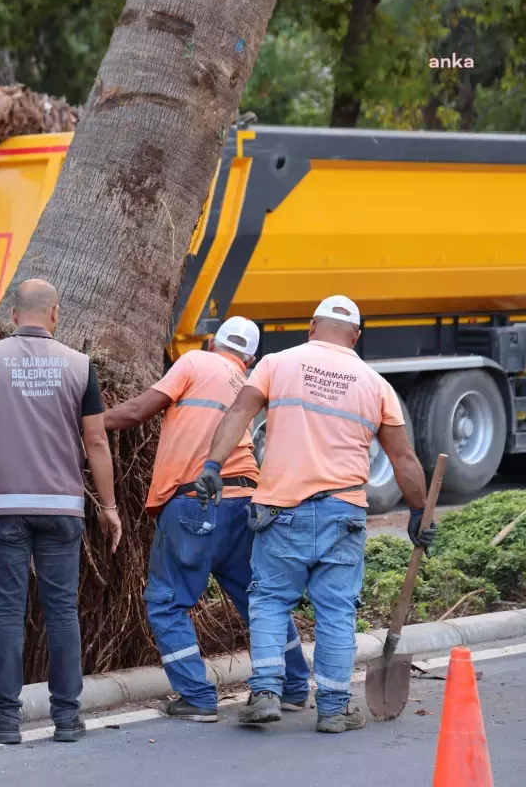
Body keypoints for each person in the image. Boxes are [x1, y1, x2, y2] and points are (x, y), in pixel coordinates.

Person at [195, 296, 429, 733]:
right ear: (355, 337)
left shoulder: (277, 364)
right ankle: (335, 709)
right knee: (337, 612)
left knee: (268, 600)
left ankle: (266, 690)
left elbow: (239, 413)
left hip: (281, 508)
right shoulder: (375, 384)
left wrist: (212, 465)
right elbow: (404, 459)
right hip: (343, 510)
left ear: (311, 327)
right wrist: (418, 510)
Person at [103, 317, 313, 722]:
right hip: (247, 502)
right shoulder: (249, 384)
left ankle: (197, 697)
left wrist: (85, 422)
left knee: (166, 603)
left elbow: (138, 411)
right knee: (261, 602)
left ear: (211, 341)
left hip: (197, 502)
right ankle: (294, 687)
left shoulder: (195, 362)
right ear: (249, 358)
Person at [0, 279, 123, 746]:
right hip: (62, 507)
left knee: (7, 612)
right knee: (62, 611)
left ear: (12, 316)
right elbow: (97, 441)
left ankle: (6, 717)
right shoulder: (80, 366)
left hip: (1, 507)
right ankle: (67, 717)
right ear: (55, 315)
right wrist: (107, 506)